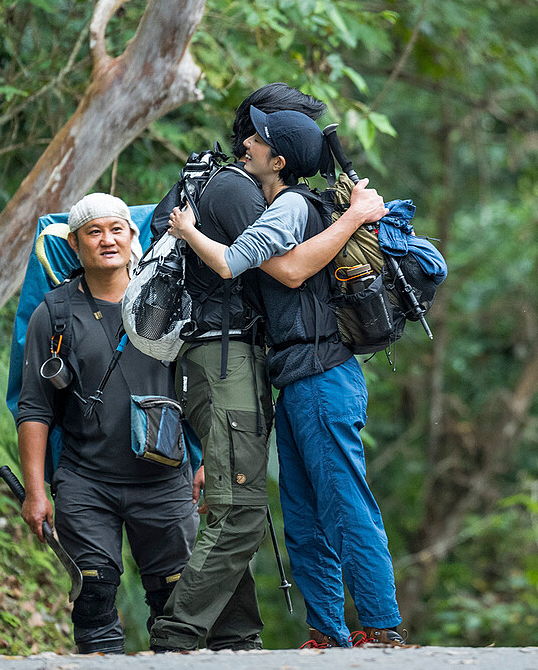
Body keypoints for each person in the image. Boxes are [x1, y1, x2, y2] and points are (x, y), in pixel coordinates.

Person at [148, 86, 388, 652]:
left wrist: (189, 233)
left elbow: (283, 269)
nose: (248, 143)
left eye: (260, 139)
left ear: (278, 159)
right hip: (295, 375)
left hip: (323, 372)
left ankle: (382, 624)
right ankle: (327, 631)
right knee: (304, 514)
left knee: (344, 503)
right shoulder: (266, 196)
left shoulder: (295, 205)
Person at [14, 193, 202, 654]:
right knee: (94, 600)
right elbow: (34, 408)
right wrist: (36, 491)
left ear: (133, 237)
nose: (107, 240)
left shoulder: (170, 303)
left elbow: (203, 391)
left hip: (164, 482)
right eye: (94, 232)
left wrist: (209, 461)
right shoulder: (54, 315)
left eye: (116, 229)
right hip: (85, 482)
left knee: (175, 605)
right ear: (76, 245)